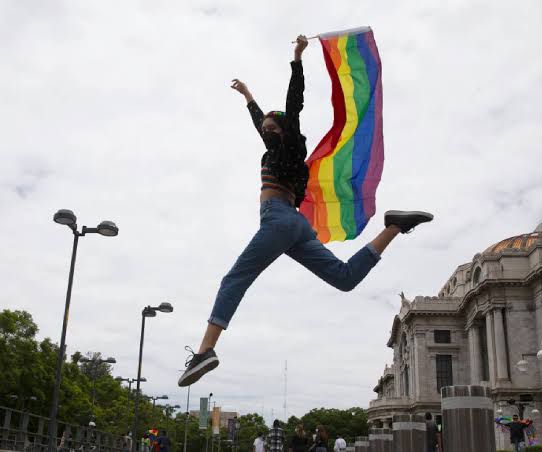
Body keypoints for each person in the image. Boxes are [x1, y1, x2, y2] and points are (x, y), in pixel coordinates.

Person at [178, 34, 434, 387]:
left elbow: (292, 103)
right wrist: (249, 96)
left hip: (280, 222)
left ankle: (206, 351)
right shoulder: (278, 149)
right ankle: (392, 227)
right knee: (344, 278)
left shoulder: (289, 144)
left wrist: (297, 58)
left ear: (282, 129)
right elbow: (260, 121)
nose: (264, 126)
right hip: (294, 225)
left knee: (234, 279)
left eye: (271, 124)